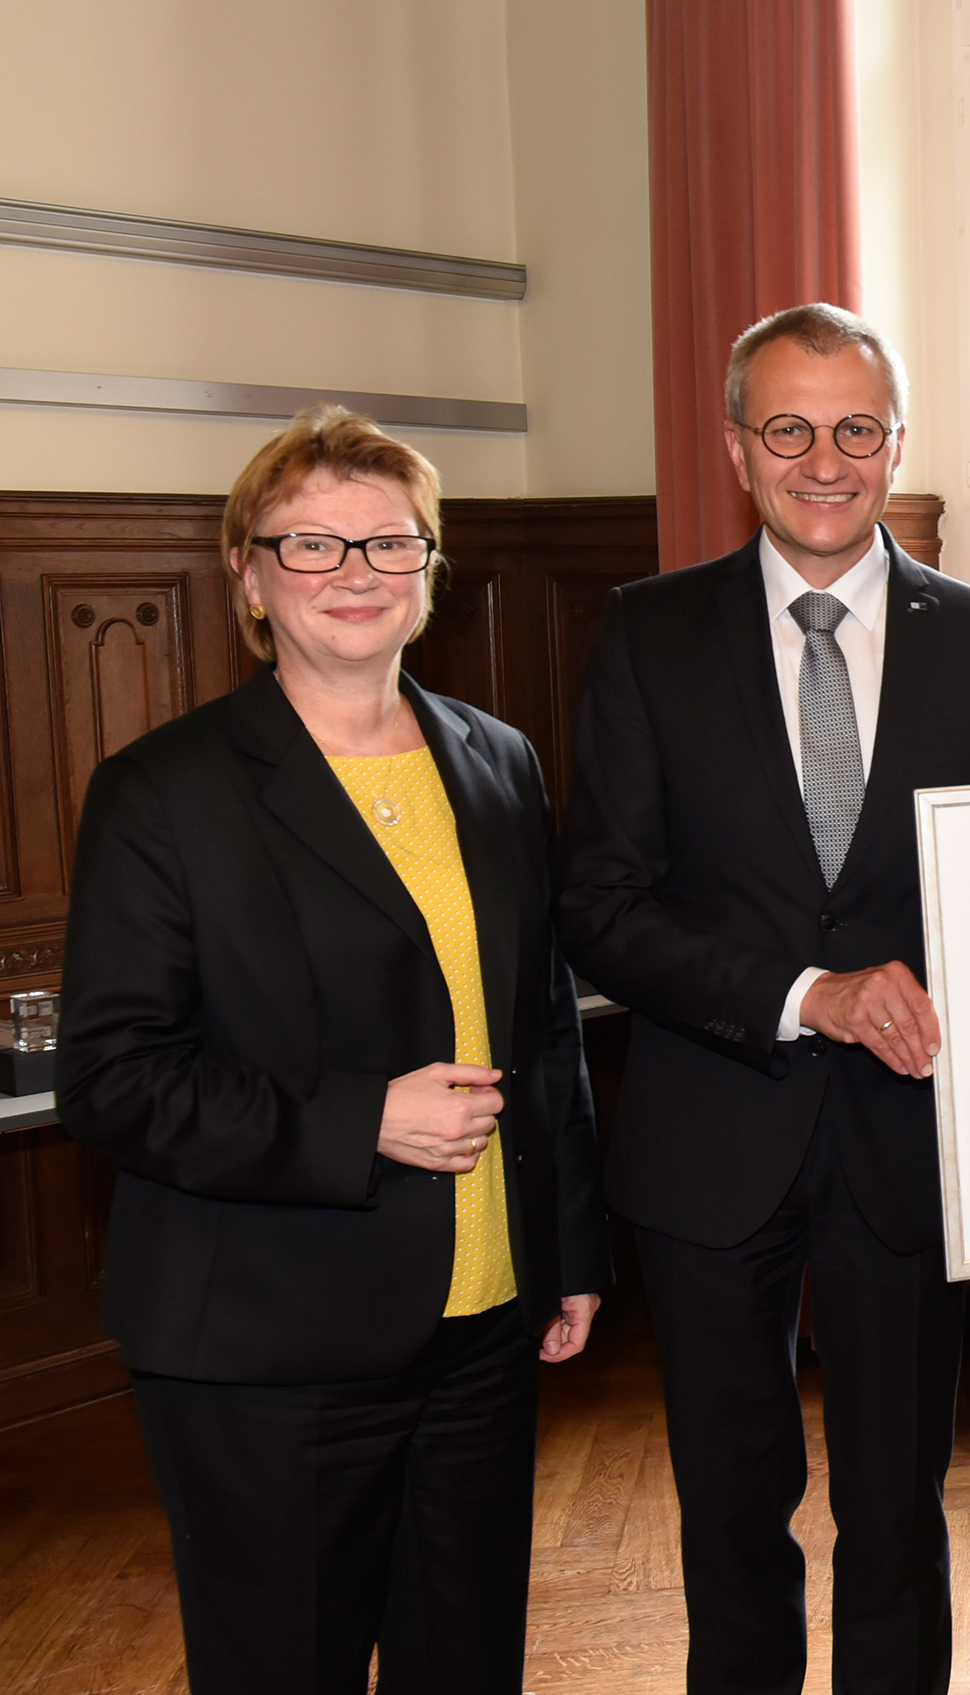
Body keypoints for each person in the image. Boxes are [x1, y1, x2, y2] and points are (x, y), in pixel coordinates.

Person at [58, 407, 612, 1695]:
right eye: (311, 545)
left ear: (431, 569)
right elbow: (114, 1078)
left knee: (465, 1666)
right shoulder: (164, 793)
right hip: (266, 1340)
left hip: (480, 1324)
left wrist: (569, 1247)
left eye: (386, 544)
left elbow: (537, 1028)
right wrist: (360, 1116)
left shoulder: (498, 759)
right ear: (247, 574)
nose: (353, 575)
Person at [556, 303, 970, 1695]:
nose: (823, 460)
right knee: (730, 1507)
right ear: (738, 446)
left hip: (913, 1142)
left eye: (855, 429)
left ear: (895, 446)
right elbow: (600, 904)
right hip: (712, 1135)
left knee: (899, 1508)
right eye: (790, 428)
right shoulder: (648, 636)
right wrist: (803, 992)